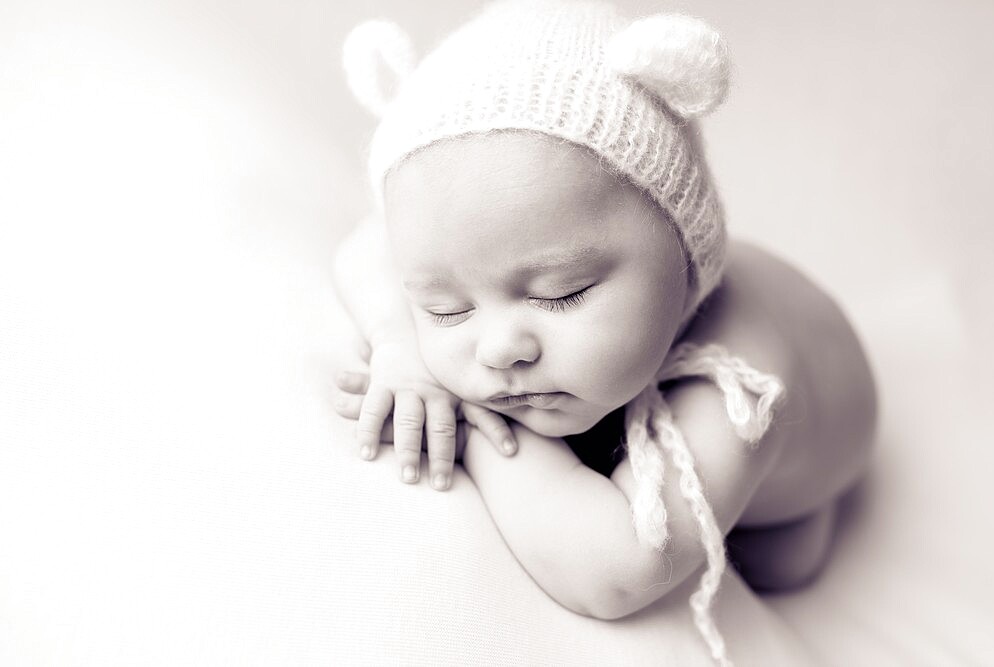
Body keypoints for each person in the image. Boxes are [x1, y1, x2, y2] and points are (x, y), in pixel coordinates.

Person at [333, 2, 876, 663]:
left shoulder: (740, 382)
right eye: (447, 309)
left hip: (816, 442)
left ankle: (806, 511)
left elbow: (616, 568)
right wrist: (400, 343)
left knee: (783, 560)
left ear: (683, 257)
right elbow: (366, 250)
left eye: (561, 293)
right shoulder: (479, 254)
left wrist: (472, 418)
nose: (498, 347)